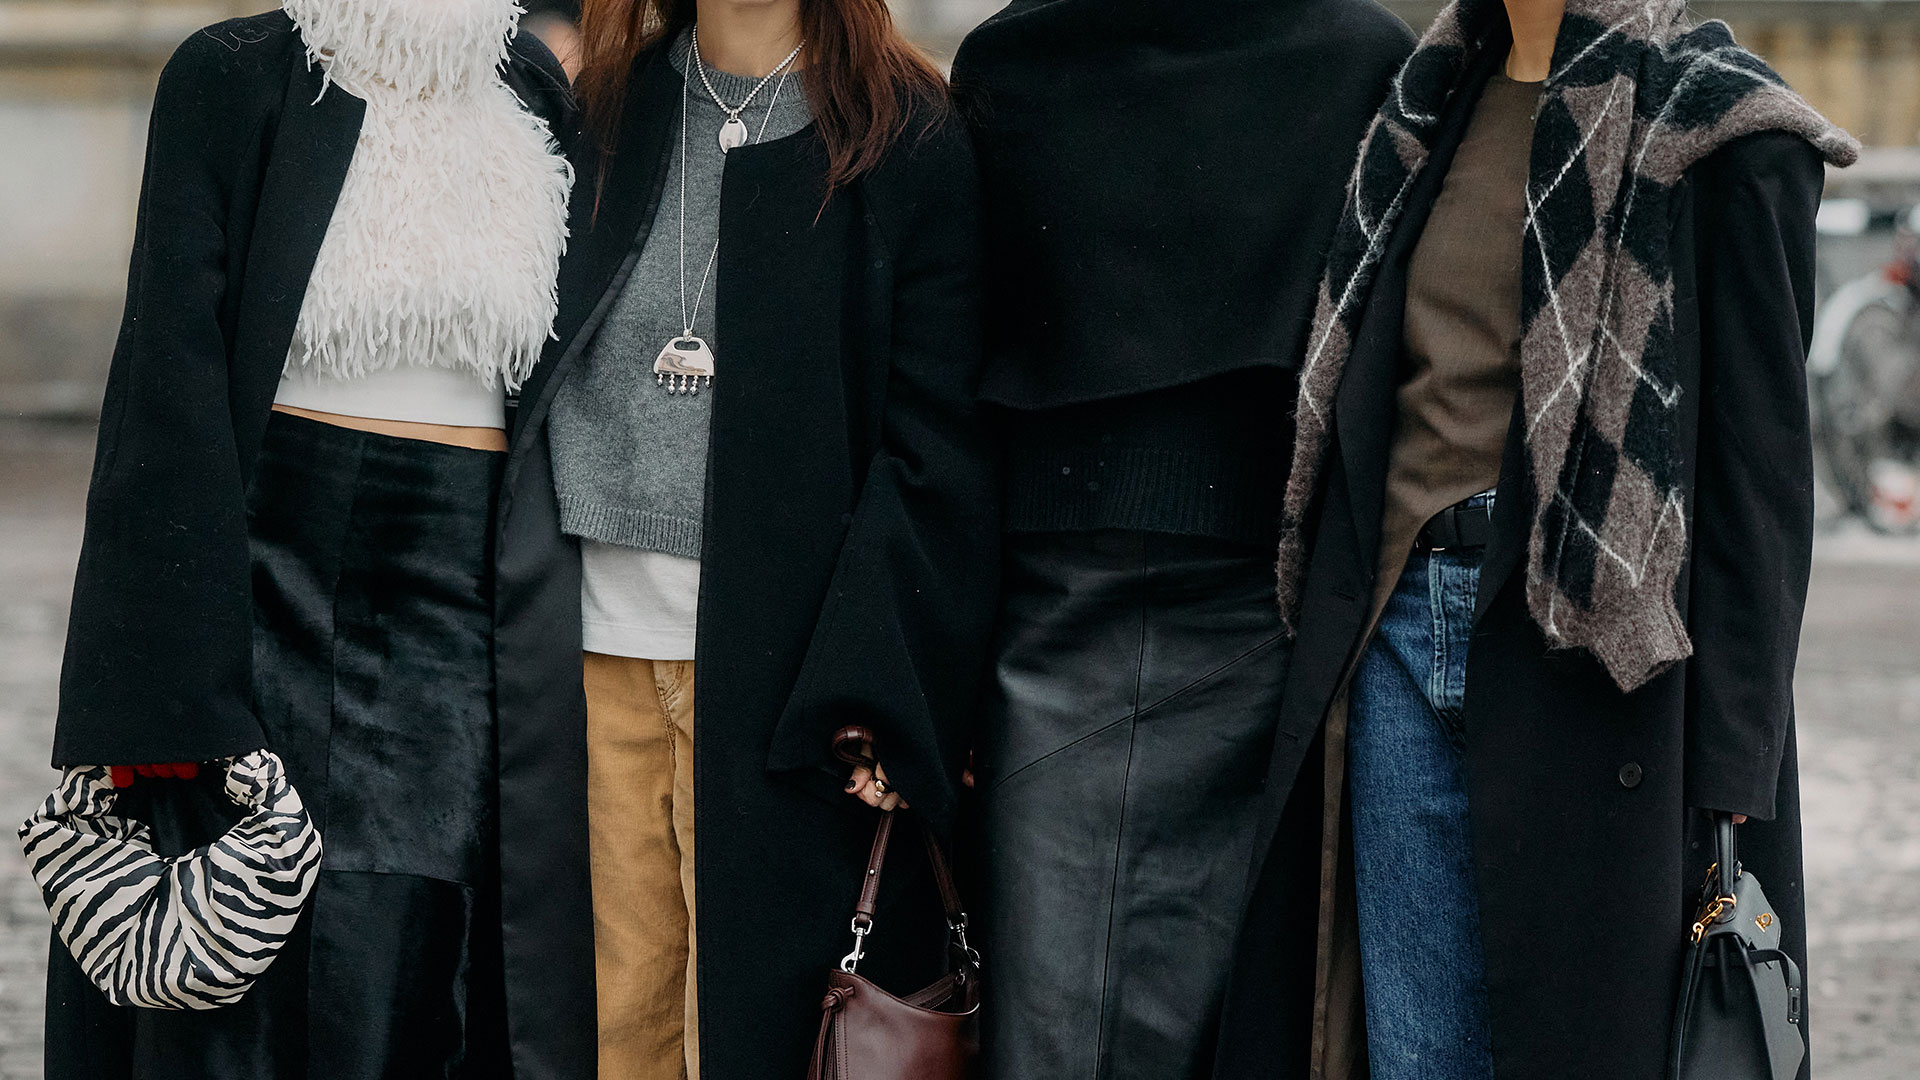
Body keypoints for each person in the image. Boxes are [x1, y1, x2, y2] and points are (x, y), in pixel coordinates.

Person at [1217, 0, 1859, 1077]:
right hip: (1395, 636)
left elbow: (1762, 492)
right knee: (1417, 1053)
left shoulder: (1720, 124)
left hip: (1597, 670)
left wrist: (1731, 777)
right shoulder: (1422, 105)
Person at [44, 0, 576, 1077]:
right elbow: (168, 385)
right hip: (256, 563)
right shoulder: (232, 73)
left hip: (457, 586)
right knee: (227, 944)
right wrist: (160, 687)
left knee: (419, 946)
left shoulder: (529, 83)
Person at [511, 0, 998, 1075]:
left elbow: (937, 443)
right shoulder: (600, 113)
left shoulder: (906, 131)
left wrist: (883, 684)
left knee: (759, 1035)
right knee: (611, 1038)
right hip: (585, 660)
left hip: (793, 683)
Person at [947, 3, 1416, 1076]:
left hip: (1232, 611)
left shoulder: (1013, 60)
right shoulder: (1360, 56)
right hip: (1094, 608)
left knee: (1090, 1021)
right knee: (1110, 1021)